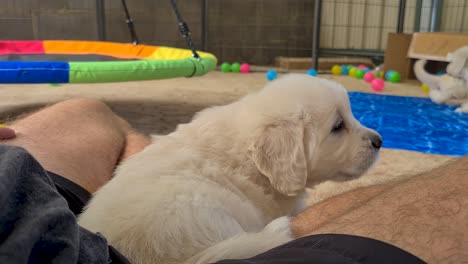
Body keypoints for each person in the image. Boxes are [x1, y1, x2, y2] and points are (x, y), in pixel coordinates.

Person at [0, 98, 466, 264]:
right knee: (317, 225)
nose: (372, 137)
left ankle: (134, 159)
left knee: (86, 111)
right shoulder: (271, 168)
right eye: (340, 127)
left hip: (31, 206)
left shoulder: (237, 138)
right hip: (62, 241)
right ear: (281, 152)